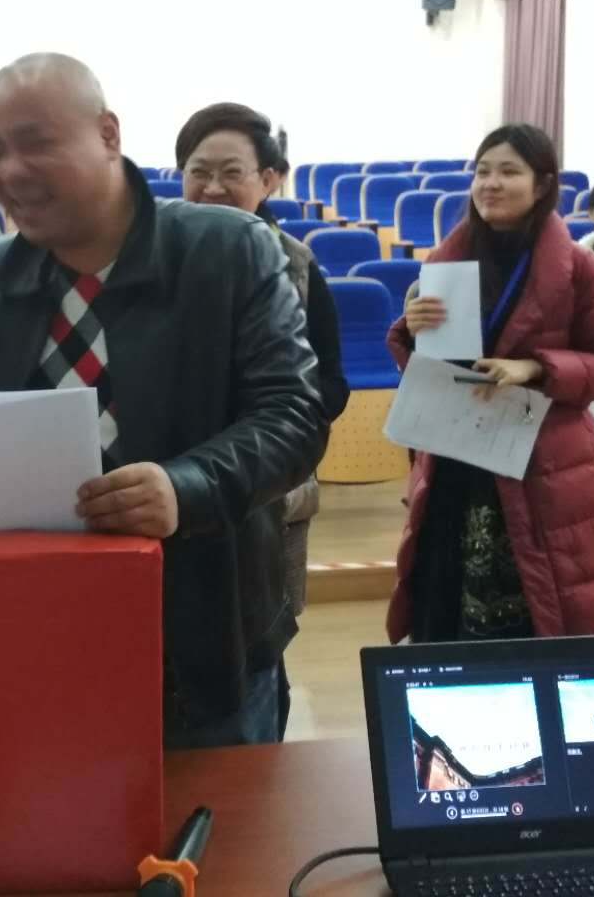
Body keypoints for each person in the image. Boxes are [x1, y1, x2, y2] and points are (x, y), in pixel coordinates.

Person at [0, 52, 328, 748]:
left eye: (35, 142)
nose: (9, 169)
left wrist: (188, 485)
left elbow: (293, 415)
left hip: (199, 639)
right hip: (28, 639)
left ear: (108, 134)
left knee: (215, 820)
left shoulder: (227, 251)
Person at [385, 123, 594, 646]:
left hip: (541, 461)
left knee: (537, 611)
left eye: (508, 172)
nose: (490, 183)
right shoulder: (447, 258)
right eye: (482, 171)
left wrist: (535, 369)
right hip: (455, 457)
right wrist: (412, 329)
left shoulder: (579, 267)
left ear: (542, 186)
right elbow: (429, 364)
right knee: (445, 604)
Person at [176, 100, 350, 739]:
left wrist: (274, 423)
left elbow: (331, 384)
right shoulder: (159, 261)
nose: (212, 188)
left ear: (269, 179)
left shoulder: (296, 265)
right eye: (199, 172)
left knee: (262, 640)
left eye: (232, 173)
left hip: (269, 496)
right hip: (178, 488)